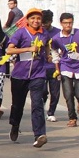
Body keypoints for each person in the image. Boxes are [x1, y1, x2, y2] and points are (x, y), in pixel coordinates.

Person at [6, 8, 50, 148]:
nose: (35, 21)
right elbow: (9, 50)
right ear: (27, 20)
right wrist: (28, 49)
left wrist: (47, 55)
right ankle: (15, 125)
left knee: (37, 104)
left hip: (38, 74)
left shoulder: (44, 34)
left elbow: (47, 46)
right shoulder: (20, 33)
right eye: (32, 18)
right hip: (20, 75)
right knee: (17, 105)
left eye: (38, 18)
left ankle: (39, 135)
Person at [51, 13, 79, 127]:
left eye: (70, 22)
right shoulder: (56, 38)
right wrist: (57, 69)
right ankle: (72, 118)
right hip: (65, 67)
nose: (68, 25)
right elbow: (54, 54)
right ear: (61, 23)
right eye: (65, 23)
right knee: (68, 94)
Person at [41, 10, 62, 122]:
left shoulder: (58, 33)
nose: (44, 25)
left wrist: (60, 55)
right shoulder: (38, 32)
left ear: (51, 21)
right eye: (42, 23)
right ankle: (42, 107)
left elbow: (64, 48)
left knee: (55, 92)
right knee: (43, 91)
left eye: (46, 22)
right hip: (40, 67)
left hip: (55, 67)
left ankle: (51, 112)